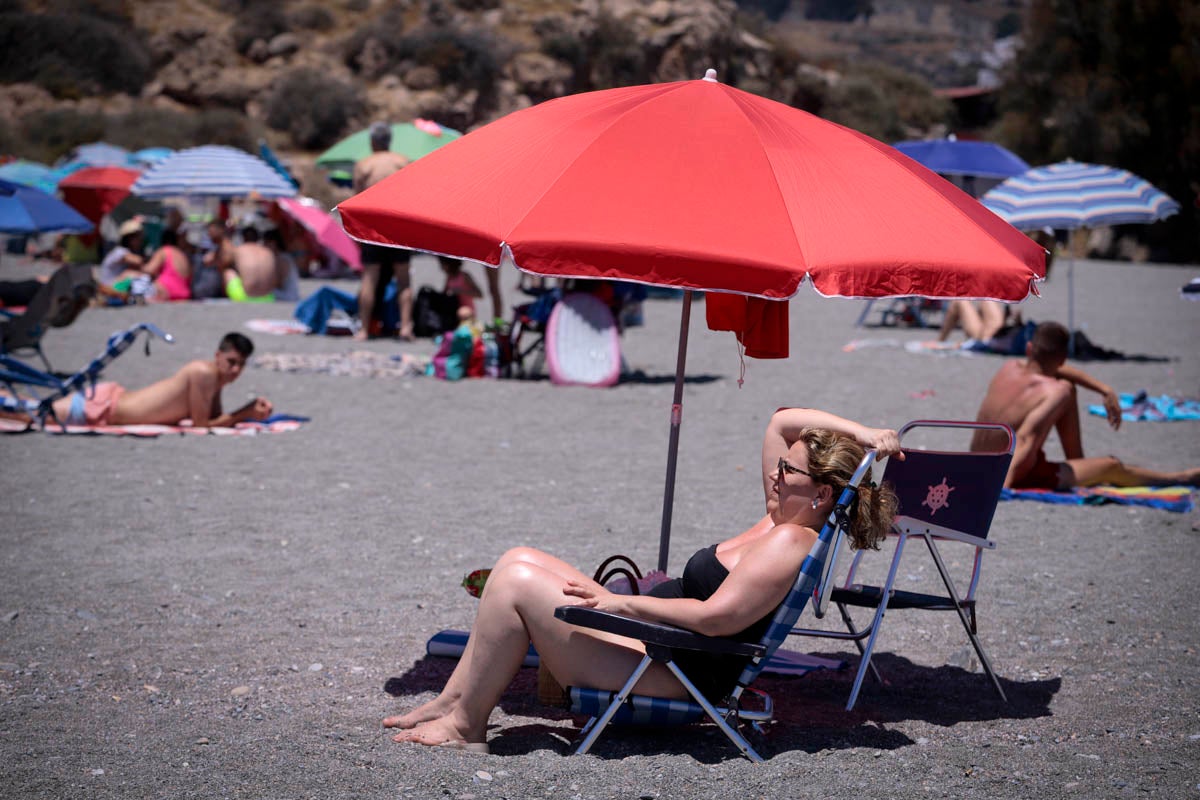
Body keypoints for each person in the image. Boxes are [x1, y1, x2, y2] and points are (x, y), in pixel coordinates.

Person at [383, 407, 902, 753]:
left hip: (674, 670)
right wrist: (863, 435)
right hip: (651, 644)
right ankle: (452, 703)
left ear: (821, 494)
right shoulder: (779, 514)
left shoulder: (791, 541)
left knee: (516, 581)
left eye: (789, 470)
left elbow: (716, 619)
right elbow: (781, 421)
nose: (775, 472)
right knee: (517, 556)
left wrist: (620, 604)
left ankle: (465, 726)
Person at [971, 321, 1199, 489]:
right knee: (1112, 466)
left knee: (1068, 390)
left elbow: (1049, 367)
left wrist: (1104, 389)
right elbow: (1025, 438)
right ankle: (1181, 478)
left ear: (1030, 348)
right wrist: (1001, 490)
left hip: (976, 464)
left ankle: (1080, 465)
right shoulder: (1058, 391)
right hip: (1011, 471)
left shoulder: (1008, 368)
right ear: (1062, 359)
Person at [2, 332, 273, 429]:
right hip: (105, 407)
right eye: (231, 362)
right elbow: (203, 425)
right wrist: (245, 412)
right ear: (217, 356)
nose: (235, 370)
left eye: (241, 365)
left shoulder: (214, 379)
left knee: (33, 409)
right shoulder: (203, 374)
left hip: (110, 402)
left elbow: (214, 418)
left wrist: (245, 413)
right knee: (32, 415)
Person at [352, 121, 412, 340]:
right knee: (403, 278)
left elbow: (357, 200)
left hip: (373, 226)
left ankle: (364, 329)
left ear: (372, 141)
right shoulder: (402, 162)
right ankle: (406, 326)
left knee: (370, 278)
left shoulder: (364, 164)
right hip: (398, 224)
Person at [224, 227, 277, 302]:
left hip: (244, 297)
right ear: (258, 239)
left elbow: (224, 262)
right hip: (268, 297)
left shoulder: (238, 250)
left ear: (243, 238)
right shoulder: (268, 252)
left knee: (228, 272)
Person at [141, 228, 192, 302]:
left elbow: (150, 270)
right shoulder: (182, 254)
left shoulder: (164, 250)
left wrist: (140, 265)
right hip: (184, 293)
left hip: (166, 290)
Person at [936, 299, 1017, 343]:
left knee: (959, 302)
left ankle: (940, 341)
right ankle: (940, 341)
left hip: (987, 338)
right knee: (986, 300)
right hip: (993, 334)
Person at [98, 218, 146, 287]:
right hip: (108, 286)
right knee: (134, 274)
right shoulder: (120, 251)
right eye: (138, 237)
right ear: (129, 238)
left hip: (114, 285)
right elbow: (138, 261)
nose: (140, 240)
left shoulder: (124, 251)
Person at [263, 228, 301, 302]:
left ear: (275, 243)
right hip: (290, 295)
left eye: (267, 242)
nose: (265, 245)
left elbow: (278, 283)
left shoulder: (282, 259)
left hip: (288, 296)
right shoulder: (282, 257)